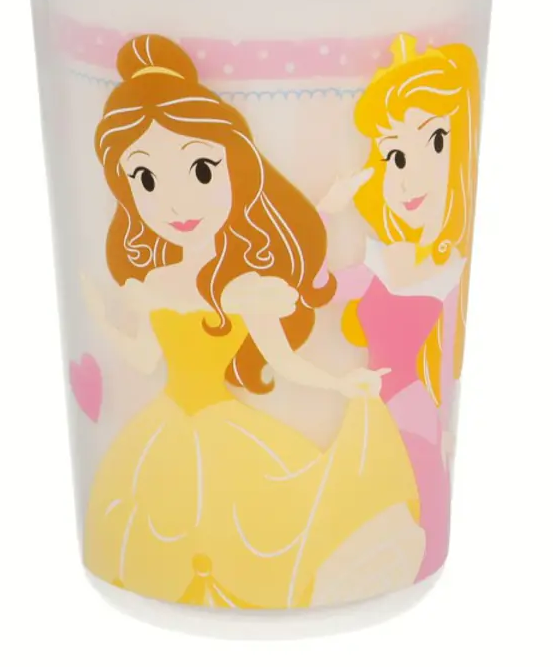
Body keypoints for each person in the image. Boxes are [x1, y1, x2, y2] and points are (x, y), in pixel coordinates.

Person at [81, 34, 425, 609]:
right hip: (164, 430)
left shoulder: (247, 290)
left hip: (225, 430)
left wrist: (343, 382)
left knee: (262, 522)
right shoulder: (154, 283)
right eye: (147, 180)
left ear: (236, 168)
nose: (177, 204)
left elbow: (285, 362)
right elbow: (142, 358)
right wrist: (100, 317)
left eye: (200, 170)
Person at [319, 34, 480, 580]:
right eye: (396, 156)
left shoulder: (447, 271)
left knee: (417, 501)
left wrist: (444, 424)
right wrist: (327, 212)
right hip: (367, 404)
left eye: (435, 143)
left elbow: (447, 356)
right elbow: (318, 289)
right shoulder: (377, 260)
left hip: (409, 407)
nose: (411, 177)